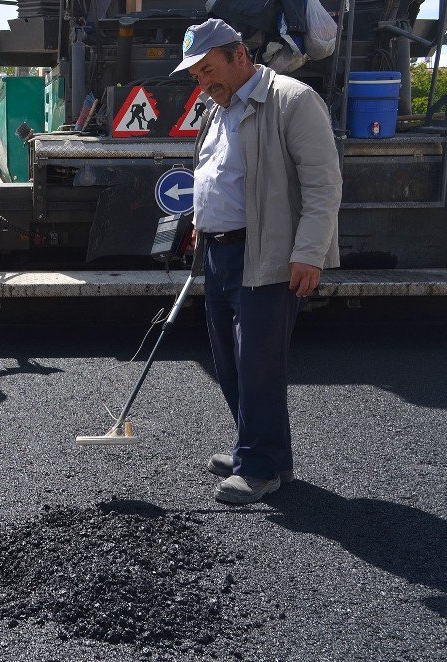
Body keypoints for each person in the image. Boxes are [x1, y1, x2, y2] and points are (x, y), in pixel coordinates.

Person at [176, 19, 341, 504]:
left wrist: (309, 252)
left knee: (258, 366)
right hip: (220, 253)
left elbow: (323, 185)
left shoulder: (291, 100)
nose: (204, 82)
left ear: (240, 56)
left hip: (266, 252)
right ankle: (262, 449)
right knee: (229, 362)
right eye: (196, 75)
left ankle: (260, 465)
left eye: (210, 70)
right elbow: (215, 176)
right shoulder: (216, 108)